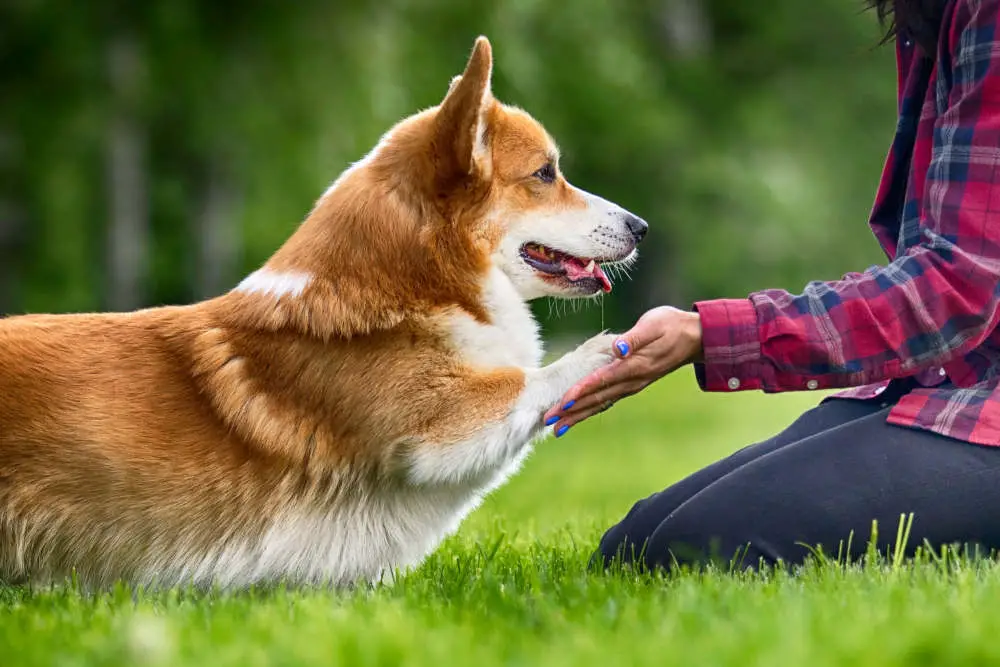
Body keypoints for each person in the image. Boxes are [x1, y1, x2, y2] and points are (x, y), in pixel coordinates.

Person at [543, 0, 1000, 573]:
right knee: (631, 549)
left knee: (686, 554)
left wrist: (709, 333)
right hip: (959, 379)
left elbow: (956, 285)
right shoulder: (936, 16)